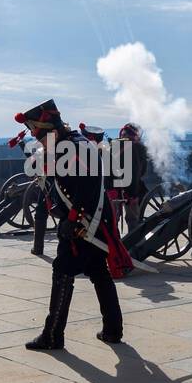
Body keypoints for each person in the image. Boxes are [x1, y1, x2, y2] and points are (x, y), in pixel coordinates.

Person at [15, 100, 124, 350]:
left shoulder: (70, 148)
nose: (39, 142)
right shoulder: (75, 143)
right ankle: (113, 329)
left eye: (40, 136)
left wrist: (73, 219)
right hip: (95, 219)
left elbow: (84, 187)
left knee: (62, 271)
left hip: (83, 222)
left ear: (51, 131)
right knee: (99, 272)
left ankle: (53, 335)